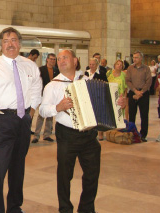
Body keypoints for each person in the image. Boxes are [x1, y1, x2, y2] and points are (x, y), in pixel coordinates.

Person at [0, 27, 42, 213]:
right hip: (1, 120)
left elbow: (37, 89)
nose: (10, 44)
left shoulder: (30, 66)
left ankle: (14, 207)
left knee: (17, 169)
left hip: (23, 121)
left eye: (13, 40)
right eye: (6, 41)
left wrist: (32, 112)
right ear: (1, 45)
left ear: (19, 43)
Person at [40, 49, 100, 213]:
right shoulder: (52, 85)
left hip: (89, 134)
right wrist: (57, 107)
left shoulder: (88, 81)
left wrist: (118, 104)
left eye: (65, 57)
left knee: (92, 175)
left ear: (75, 60)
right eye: (58, 59)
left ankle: (86, 209)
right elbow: (43, 111)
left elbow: (100, 104)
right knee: (65, 176)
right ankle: (65, 209)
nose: (61, 61)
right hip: (67, 135)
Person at [32, 53, 59, 143]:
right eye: (51, 59)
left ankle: (47, 134)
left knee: (50, 115)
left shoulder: (56, 70)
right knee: (41, 115)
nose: (52, 61)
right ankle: (36, 135)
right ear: (47, 59)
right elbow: (38, 82)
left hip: (52, 96)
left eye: (54, 59)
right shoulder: (41, 69)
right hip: (43, 95)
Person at [125, 50, 152, 142]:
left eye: (136, 57)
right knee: (132, 114)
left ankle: (143, 134)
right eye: (133, 57)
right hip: (133, 92)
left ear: (141, 58)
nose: (134, 59)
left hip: (143, 93)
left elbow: (149, 81)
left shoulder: (146, 68)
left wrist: (141, 92)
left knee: (144, 115)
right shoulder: (130, 68)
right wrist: (135, 91)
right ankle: (132, 133)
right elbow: (128, 80)